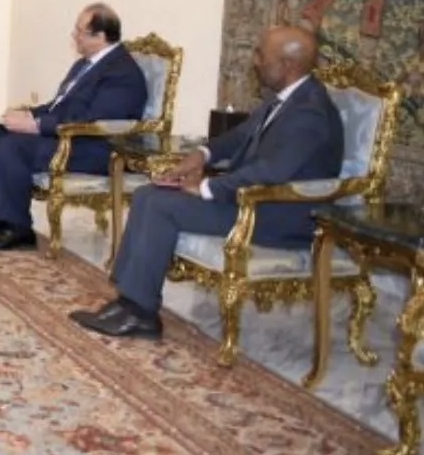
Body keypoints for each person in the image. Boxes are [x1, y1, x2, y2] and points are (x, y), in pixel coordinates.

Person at [71, 25, 344, 339]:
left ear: (288, 65)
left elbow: (270, 172)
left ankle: (140, 314)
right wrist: (201, 155)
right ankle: (128, 302)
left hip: (276, 215)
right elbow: (239, 136)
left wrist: (207, 188)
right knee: (148, 194)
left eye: (262, 55)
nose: (255, 61)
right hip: (253, 201)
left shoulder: (310, 112)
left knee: (161, 206)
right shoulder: (286, 97)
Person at [0, 3, 149, 251]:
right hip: (67, 137)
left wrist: (37, 126)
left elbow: (95, 121)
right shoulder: (85, 64)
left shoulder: (121, 72)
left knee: (15, 146)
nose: (74, 36)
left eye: (80, 31)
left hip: (96, 148)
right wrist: (29, 114)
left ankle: (19, 228)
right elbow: (59, 105)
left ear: (100, 36)